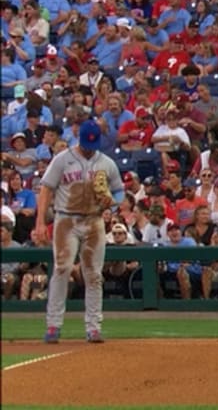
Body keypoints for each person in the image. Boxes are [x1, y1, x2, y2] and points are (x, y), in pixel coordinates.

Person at [34, 119, 124, 344]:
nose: (88, 148)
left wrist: (111, 203)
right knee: (62, 269)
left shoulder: (106, 163)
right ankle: (53, 325)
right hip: (66, 219)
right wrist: (40, 222)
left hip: (94, 221)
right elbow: (46, 190)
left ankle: (93, 327)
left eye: (92, 144)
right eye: (85, 143)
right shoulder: (62, 159)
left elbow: (119, 192)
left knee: (94, 274)